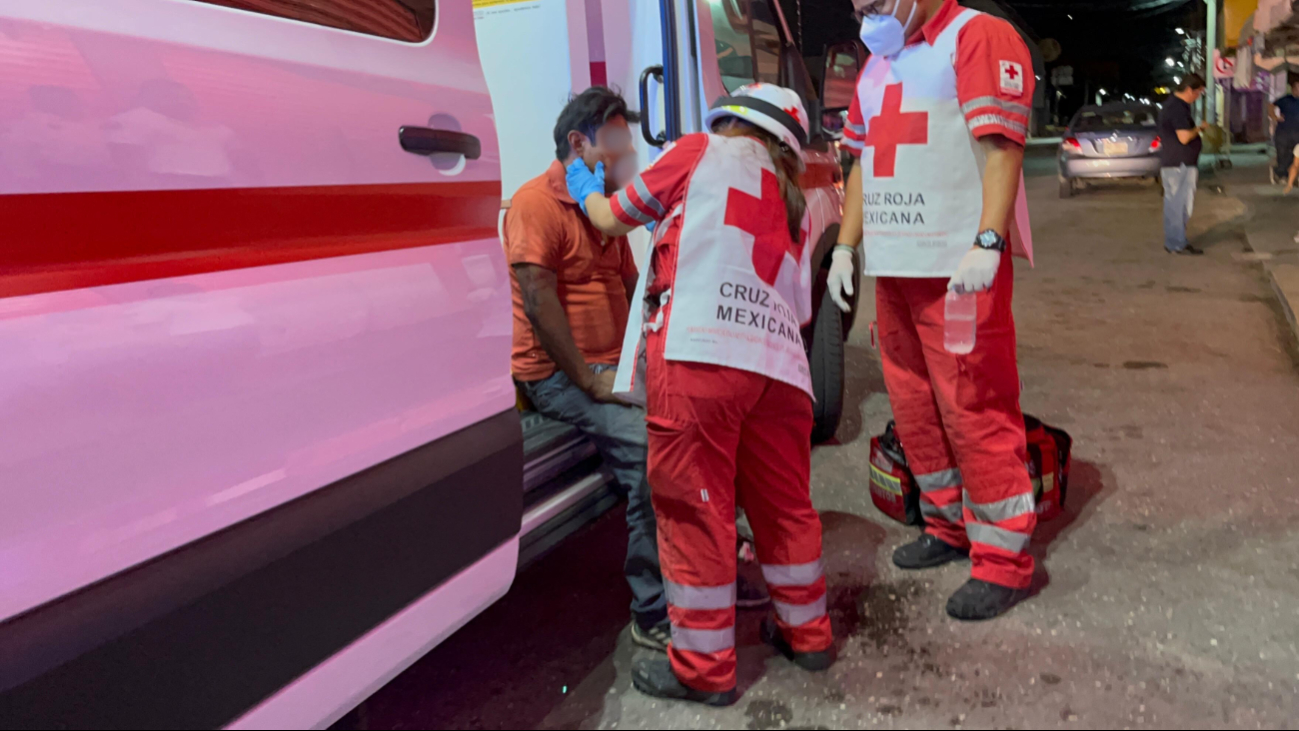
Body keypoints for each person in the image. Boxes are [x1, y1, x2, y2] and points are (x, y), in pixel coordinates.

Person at [568, 84, 834, 706]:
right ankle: (809, 635)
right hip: (780, 370)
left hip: (700, 356)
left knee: (696, 509)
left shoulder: (698, 151)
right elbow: (798, 308)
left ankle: (704, 669)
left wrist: (581, 180)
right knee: (784, 506)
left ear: (730, 120)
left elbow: (610, 218)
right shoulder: (798, 201)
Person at [828, 0, 1038, 621]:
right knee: (915, 406)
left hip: (955, 270)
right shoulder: (877, 65)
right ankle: (947, 527)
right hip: (896, 269)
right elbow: (864, 162)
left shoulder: (977, 36)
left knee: (973, 405)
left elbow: (1002, 147)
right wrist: (845, 247)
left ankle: (1003, 559)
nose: (865, 8)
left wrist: (990, 240)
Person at [505, 88, 671, 651]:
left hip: (614, 365)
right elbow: (538, 301)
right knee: (652, 454)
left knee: (695, 419)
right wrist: (591, 380)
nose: (625, 155)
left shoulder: (604, 204)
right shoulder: (535, 205)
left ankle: (702, 558)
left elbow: (629, 283)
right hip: (559, 375)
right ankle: (654, 607)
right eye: (615, 144)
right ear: (578, 143)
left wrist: (650, 354)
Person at [1157, 74, 1208, 256]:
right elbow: (1184, 137)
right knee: (1178, 205)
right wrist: (1199, 129)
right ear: (1189, 90)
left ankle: (1177, 241)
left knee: (1178, 204)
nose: (1198, 97)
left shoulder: (1174, 105)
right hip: (1179, 164)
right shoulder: (1177, 108)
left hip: (1178, 162)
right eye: (1198, 93)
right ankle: (1176, 243)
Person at [1272, 77, 1299, 183]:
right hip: (1283, 133)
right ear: (1293, 89)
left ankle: (1293, 176)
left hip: (1297, 134)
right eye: (1297, 88)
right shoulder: (1286, 100)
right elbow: (1271, 106)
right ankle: (1281, 174)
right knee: (1283, 155)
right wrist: (1275, 116)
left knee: (1295, 156)